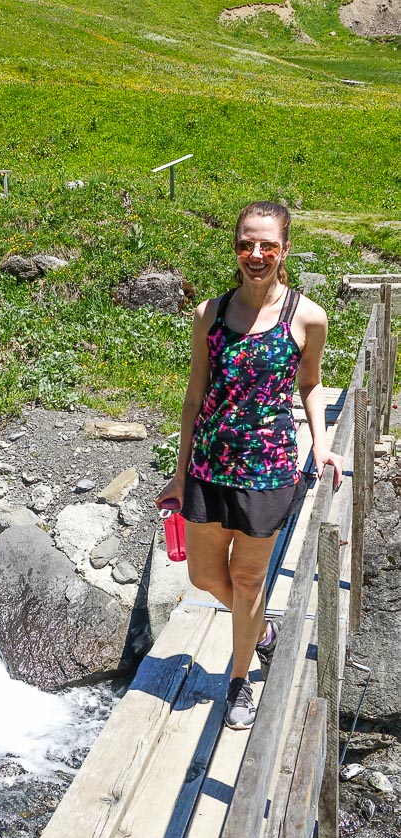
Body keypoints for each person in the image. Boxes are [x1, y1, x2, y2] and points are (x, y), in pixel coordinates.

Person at [156, 201, 343, 730]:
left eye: (267, 245)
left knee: (247, 580)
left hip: (269, 470)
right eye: (246, 244)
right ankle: (261, 632)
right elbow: (195, 397)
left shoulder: (306, 316)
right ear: (236, 246)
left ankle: (238, 684)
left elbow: (310, 385)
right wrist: (178, 472)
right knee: (204, 575)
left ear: (284, 249)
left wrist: (321, 444)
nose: (255, 255)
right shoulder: (211, 313)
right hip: (209, 467)